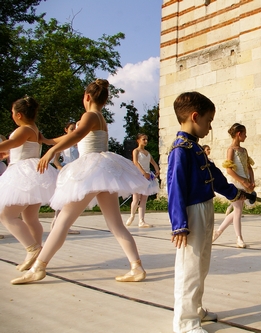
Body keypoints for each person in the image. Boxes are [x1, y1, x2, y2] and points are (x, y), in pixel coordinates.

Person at [11, 79, 150, 285]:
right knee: (116, 224)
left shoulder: (89, 115)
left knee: (63, 221)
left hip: (92, 170)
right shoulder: (100, 117)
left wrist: (51, 150)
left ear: (87, 97)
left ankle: (39, 267)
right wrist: (49, 141)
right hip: (104, 171)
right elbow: (78, 135)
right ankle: (136, 266)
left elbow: (76, 135)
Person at [167, 91, 244, 333]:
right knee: (189, 267)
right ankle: (185, 322)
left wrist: (232, 192)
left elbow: (213, 175)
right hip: (190, 212)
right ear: (195, 116)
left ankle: (196, 309)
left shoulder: (194, 148)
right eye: (209, 121)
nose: (210, 127)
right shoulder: (180, 149)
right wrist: (179, 223)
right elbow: (174, 187)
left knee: (201, 264)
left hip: (205, 207)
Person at [0, 96, 58, 271]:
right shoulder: (33, 128)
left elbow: (10, 143)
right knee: (30, 218)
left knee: (6, 215)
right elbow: (17, 148)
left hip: (23, 174)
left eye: (12, 112)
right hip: (33, 173)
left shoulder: (23, 129)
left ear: (18, 115)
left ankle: (32, 248)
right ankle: (36, 255)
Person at [212, 123, 254, 248]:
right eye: (244, 133)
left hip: (245, 183)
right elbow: (229, 170)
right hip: (236, 183)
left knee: (237, 211)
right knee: (238, 210)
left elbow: (249, 167)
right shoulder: (231, 150)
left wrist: (251, 181)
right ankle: (239, 238)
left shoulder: (244, 150)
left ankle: (218, 232)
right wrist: (242, 181)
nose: (246, 136)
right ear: (239, 134)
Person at [51, 121, 80, 235]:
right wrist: (60, 168)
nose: (74, 130)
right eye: (71, 129)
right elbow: (55, 159)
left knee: (72, 200)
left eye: (75, 129)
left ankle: (65, 225)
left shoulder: (79, 142)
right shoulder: (63, 142)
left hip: (77, 171)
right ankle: (56, 223)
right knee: (63, 198)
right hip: (65, 170)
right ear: (66, 130)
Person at [126, 133, 160, 228]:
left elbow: (153, 162)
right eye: (143, 139)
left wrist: (157, 170)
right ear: (138, 140)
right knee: (136, 198)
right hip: (139, 176)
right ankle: (132, 215)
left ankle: (141, 220)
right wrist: (143, 172)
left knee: (144, 199)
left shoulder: (147, 153)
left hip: (148, 177)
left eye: (146, 139)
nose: (145, 141)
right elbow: (135, 162)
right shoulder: (136, 151)